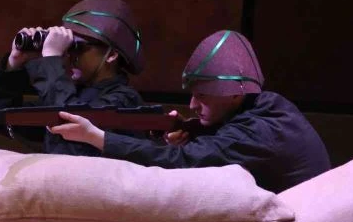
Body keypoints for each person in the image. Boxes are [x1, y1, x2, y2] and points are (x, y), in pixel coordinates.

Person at [49, 30, 331, 193]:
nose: (193, 105)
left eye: (202, 96)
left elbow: (182, 159)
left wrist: (96, 137)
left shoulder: (261, 131)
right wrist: (191, 130)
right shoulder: (267, 107)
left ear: (235, 94)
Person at [0, 0, 145, 156]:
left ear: (111, 55)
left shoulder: (124, 100)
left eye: (78, 47)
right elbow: (2, 120)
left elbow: (73, 140)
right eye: (67, 47)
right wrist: (14, 65)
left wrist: (51, 58)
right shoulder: (69, 93)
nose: (69, 55)